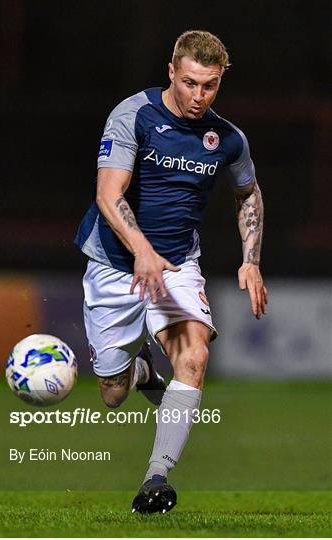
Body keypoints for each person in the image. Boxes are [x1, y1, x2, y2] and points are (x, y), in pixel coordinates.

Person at [75, 30, 267, 514]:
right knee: (113, 394)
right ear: (171, 71)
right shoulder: (134, 114)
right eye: (189, 83)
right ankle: (139, 372)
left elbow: (248, 192)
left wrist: (251, 259)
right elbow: (108, 193)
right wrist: (140, 250)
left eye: (210, 86)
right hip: (115, 267)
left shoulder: (226, 138)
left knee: (195, 356)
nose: (198, 96)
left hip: (177, 266)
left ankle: (155, 479)